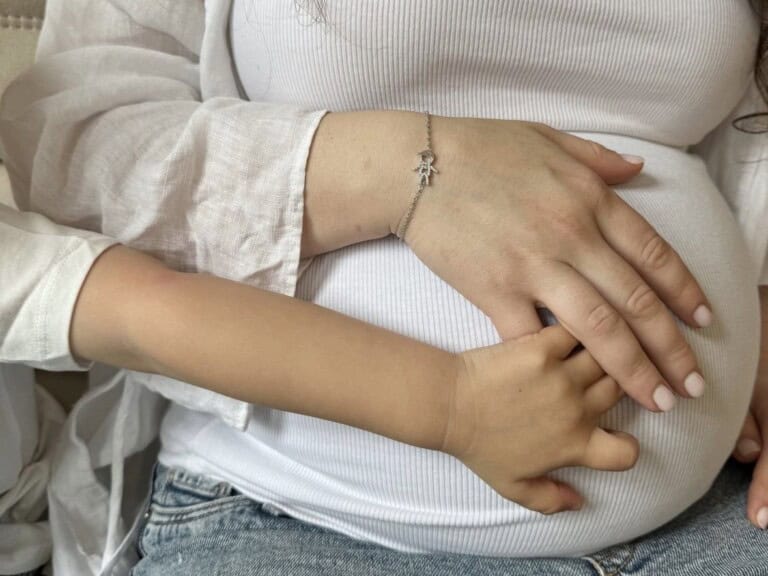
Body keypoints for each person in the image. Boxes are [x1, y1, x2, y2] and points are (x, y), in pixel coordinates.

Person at [0, 1, 766, 574]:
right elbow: (71, 146)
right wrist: (403, 171)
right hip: (303, 521)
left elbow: (741, 129)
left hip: (711, 518)